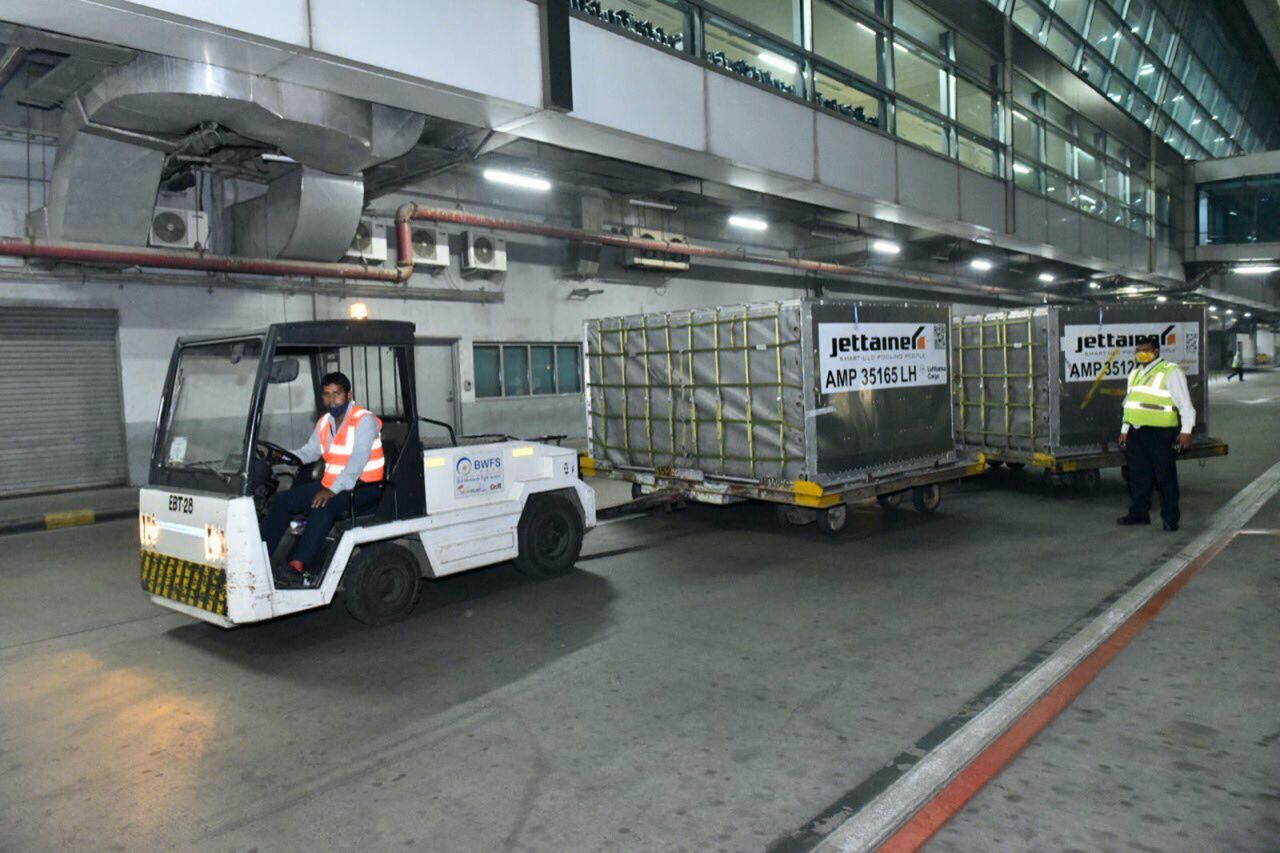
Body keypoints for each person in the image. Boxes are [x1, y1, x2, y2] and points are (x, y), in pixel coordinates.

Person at [261, 372, 385, 577]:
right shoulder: (325, 422)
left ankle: (297, 565)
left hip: (365, 487)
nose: (332, 400)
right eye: (327, 395)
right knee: (284, 501)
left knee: (322, 506)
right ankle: (260, 555)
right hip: (334, 485)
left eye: (337, 394)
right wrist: (282, 456)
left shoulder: (364, 420)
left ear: (348, 395)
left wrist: (330, 490)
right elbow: (309, 452)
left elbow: (356, 464)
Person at [1116, 338, 1195, 532]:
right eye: (1138, 350)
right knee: (1138, 477)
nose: (1142, 353)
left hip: (1161, 433)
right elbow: (1130, 404)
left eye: (1146, 350)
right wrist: (1125, 430)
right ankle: (1139, 514)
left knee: (1164, 477)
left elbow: (1185, 404)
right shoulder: (1134, 373)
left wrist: (1186, 431)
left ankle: (1170, 518)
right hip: (1136, 431)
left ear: (1157, 351)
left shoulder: (1170, 371)